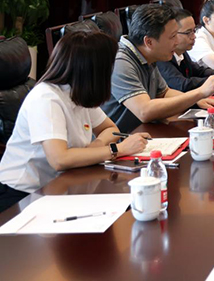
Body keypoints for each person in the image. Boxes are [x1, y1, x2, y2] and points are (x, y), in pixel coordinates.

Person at [0, 31, 151, 212]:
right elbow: (60, 159)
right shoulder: (46, 99)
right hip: (23, 195)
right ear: (94, 70)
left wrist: (96, 146)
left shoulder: (78, 91)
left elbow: (110, 129)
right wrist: (117, 149)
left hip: (62, 182)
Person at [102, 4, 214, 133]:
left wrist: (196, 101)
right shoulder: (120, 61)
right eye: (172, 36)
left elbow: (164, 93)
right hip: (122, 140)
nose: (177, 42)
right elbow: (144, 111)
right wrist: (200, 93)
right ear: (149, 42)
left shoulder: (147, 55)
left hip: (144, 133)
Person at [157, 8, 214, 92]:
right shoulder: (162, 58)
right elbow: (182, 85)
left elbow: (200, 71)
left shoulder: (182, 53)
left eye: (194, 31)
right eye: (188, 32)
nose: (194, 36)